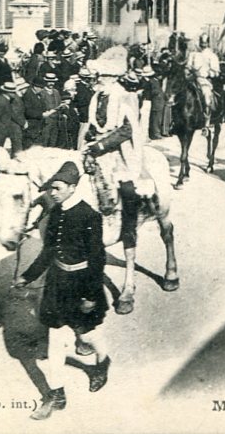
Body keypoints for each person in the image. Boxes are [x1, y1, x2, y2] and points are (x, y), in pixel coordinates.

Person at [13, 161, 111, 420]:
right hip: (57, 284)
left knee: (88, 335)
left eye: (57, 188)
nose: (52, 193)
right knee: (56, 339)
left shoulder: (89, 216)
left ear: (72, 187)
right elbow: (48, 252)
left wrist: (90, 296)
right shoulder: (55, 213)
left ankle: (102, 363)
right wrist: (27, 276)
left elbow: (97, 259)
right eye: (51, 189)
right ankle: (57, 394)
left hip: (82, 286)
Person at [85, 72, 145, 295]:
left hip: (120, 153)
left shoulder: (123, 96)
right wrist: (91, 140)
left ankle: (129, 231)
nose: (97, 80)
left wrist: (101, 146)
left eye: (101, 77)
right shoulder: (98, 96)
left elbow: (127, 129)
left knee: (127, 190)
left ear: (111, 78)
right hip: (97, 147)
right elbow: (94, 124)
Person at [187, 33, 220, 134]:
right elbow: (188, 66)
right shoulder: (193, 54)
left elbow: (216, 72)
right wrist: (190, 71)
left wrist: (206, 73)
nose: (203, 45)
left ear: (208, 43)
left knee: (206, 97)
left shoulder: (212, 56)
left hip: (204, 80)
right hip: (192, 79)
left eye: (205, 43)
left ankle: (206, 123)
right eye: (201, 42)